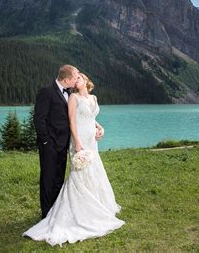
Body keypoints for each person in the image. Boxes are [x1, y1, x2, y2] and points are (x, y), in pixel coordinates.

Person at [23, 73, 125, 246]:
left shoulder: (94, 97)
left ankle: (98, 205)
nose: (76, 81)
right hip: (79, 139)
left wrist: (100, 128)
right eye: (75, 78)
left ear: (85, 80)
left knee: (95, 170)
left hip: (92, 140)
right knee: (79, 174)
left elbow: (91, 118)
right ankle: (76, 211)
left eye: (79, 78)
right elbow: (72, 121)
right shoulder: (73, 97)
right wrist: (77, 142)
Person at [33, 64, 80, 218]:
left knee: (59, 177)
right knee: (48, 178)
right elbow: (39, 119)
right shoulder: (46, 92)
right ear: (66, 80)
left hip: (63, 144)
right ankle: (46, 215)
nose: (77, 80)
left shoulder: (71, 93)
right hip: (50, 145)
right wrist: (46, 142)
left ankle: (56, 211)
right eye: (75, 78)